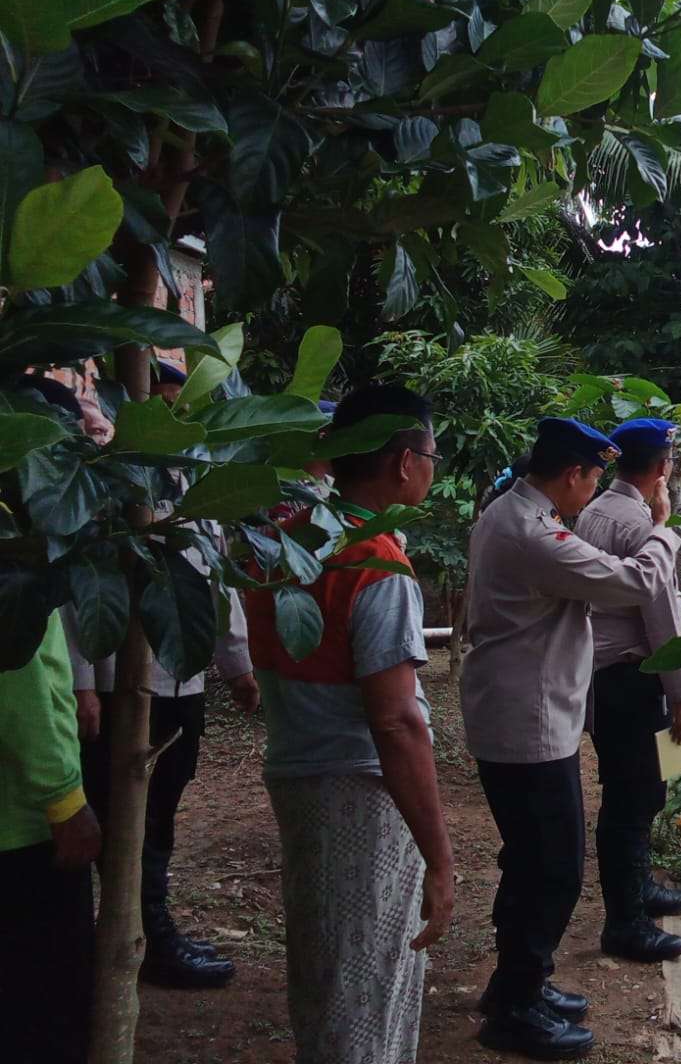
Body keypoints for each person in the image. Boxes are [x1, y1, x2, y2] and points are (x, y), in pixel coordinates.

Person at [242, 384, 454, 1064]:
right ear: (401, 462)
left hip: (298, 771)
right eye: (431, 453)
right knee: (366, 978)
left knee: (330, 965)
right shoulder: (373, 564)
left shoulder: (284, 535)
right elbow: (396, 723)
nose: (432, 467)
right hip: (359, 791)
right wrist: (443, 859)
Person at [461, 417, 679, 1061]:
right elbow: (636, 582)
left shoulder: (515, 514)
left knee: (533, 859)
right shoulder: (534, 534)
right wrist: (665, 529)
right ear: (572, 475)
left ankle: (518, 985)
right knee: (552, 865)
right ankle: (516, 1006)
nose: (593, 491)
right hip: (526, 721)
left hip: (529, 713)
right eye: (590, 477)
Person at [68, 360, 256, 988]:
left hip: (182, 680)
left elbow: (215, 586)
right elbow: (78, 596)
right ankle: (134, 928)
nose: (177, 419)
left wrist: (236, 665)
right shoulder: (105, 489)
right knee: (124, 808)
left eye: (184, 406)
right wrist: (83, 683)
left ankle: (147, 923)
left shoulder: (197, 488)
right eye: (163, 407)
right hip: (122, 682)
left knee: (165, 799)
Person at [572, 418, 681, 961]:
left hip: (599, 675)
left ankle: (637, 892)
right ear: (663, 466)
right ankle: (624, 922)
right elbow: (662, 614)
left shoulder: (595, 510)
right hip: (632, 676)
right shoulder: (643, 526)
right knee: (633, 798)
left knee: (631, 792)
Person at [0, 613, 101, 1064]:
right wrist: (62, 799)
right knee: (44, 1012)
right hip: (22, 827)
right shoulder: (14, 560)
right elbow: (17, 681)